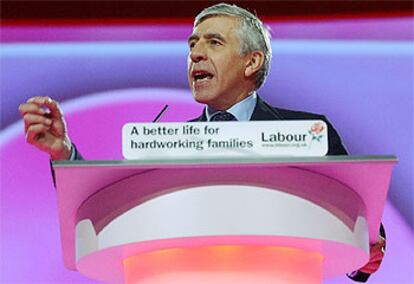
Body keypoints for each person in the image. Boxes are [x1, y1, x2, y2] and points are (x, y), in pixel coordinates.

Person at [19, 3, 385, 282]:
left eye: (213, 42)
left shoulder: (310, 132)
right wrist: (64, 152)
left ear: (251, 62)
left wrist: (367, 250)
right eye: (192, 44)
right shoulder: (169, 144)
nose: (195, 53)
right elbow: (110, 202)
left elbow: (361, 224)